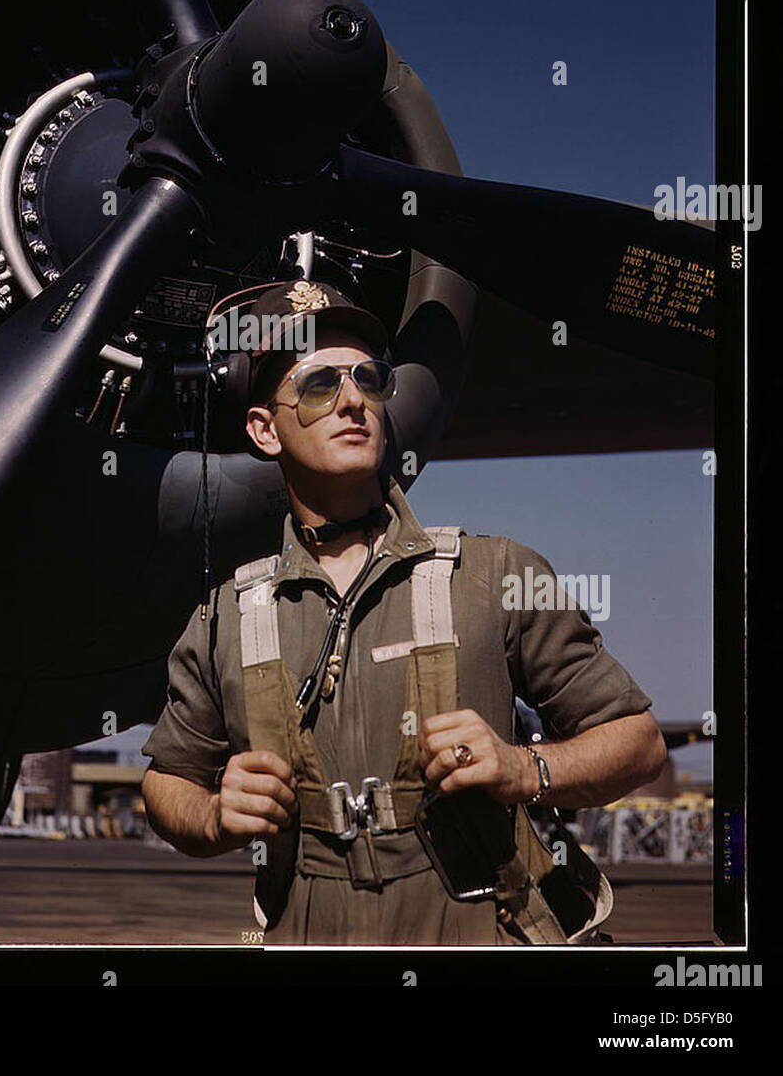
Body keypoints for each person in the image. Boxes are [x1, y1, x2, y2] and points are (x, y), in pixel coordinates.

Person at [140, 280, 666, 944]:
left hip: (479, 930)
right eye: (317, 385)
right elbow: (166, 784)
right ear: (264, 430)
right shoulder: (224, 619)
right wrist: (215, 813)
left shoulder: (495, 573)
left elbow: (637, 743)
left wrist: (526, 768)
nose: (352, 399)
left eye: (369, 378)